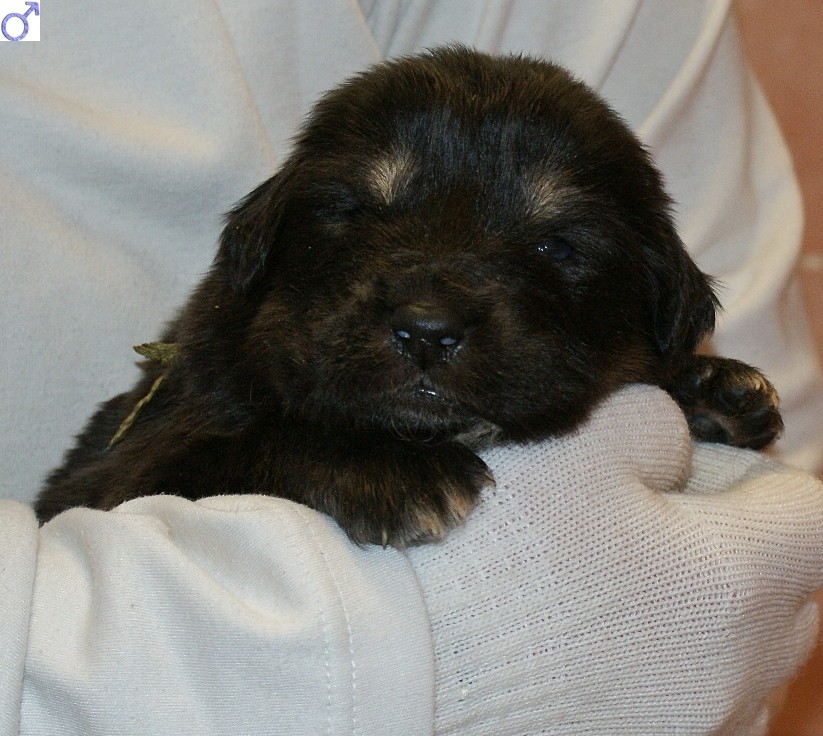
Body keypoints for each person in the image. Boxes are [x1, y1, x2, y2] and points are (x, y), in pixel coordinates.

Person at [1, 1, 822, 733]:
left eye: (556, 248)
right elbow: (117, 505)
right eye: (355, 213)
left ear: (662, 311)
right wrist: (306, 465)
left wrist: (671, 409)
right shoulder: (213, 387)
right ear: (258, 257)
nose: (429, 317)